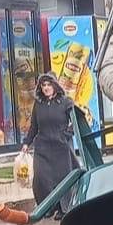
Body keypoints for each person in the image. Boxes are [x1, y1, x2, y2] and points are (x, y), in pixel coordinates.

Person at [21, 72, 79, 204]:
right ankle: (47, 206)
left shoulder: (65, 102)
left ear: (54, 86)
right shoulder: (38, 104)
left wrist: (66, 135)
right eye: (43, 85)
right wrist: (26, 143)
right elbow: (34, 127)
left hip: (61, 147)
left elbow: (76, 123)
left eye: (48, 85)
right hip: (43, 147)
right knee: (41, 178)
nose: (46, 88)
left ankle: (63, 207)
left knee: (62, 179)